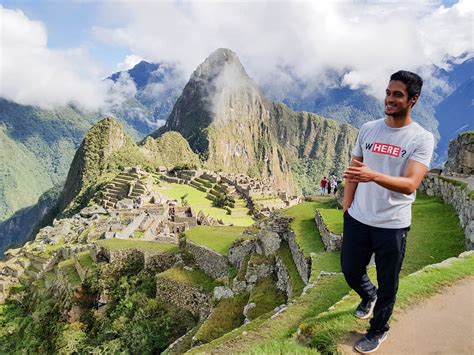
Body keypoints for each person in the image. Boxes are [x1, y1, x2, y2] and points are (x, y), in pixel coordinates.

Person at [342, 70, 434, 354]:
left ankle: (378, 330)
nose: (390, 99)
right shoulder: (369, 128)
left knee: (389, 283)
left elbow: (410, 184)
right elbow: (354, 171)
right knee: (350, 270)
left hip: (392, 224)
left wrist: (374, 176)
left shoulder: (421, 138)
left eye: (398, 95)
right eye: (388, 93)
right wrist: (347, 208)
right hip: (358, 217)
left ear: (413, 100)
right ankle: (367, 295)